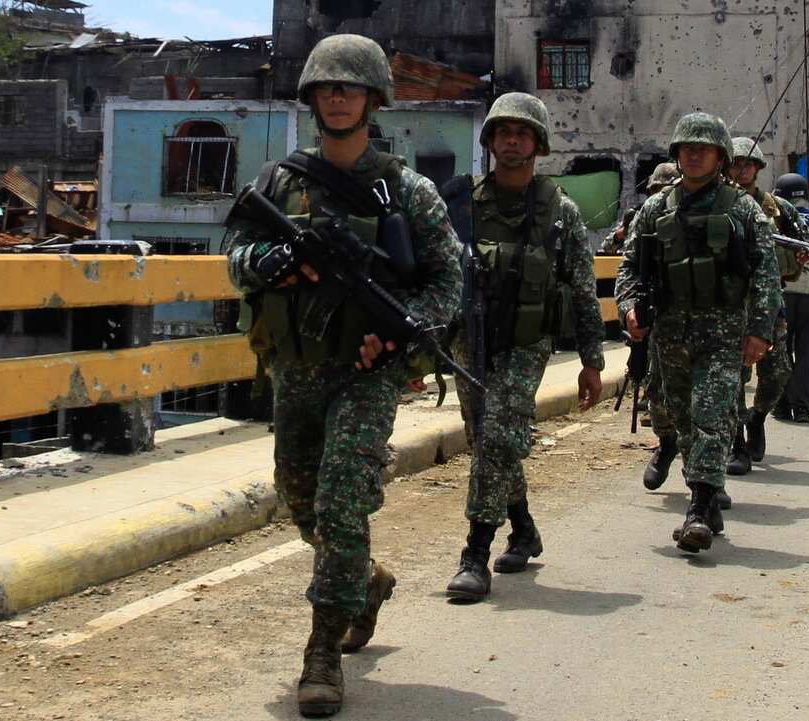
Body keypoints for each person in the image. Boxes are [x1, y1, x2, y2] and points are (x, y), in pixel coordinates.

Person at [222, 34, 463, 717]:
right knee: (299, 498)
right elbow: (234, 255)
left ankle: (322, 650)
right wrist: (269, 263)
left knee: (341, 500)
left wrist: (398, 335)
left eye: (350, 88)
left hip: (368, 372)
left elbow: (448, 282)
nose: (337, 97)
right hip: (296, 367)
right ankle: (366, 580)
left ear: (373, 100)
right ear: (311, 98)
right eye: (327, 87)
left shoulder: (407, 191)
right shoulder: (279, 183)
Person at [444, 92, 606, 601]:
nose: (512, 141)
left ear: (538, 144)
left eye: (522, 133)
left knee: (497, 437)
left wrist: (592, 362)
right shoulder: (461, 204)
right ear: (490, 141)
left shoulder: (560, 212)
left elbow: (583, 290)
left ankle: (475, 554)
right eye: (503, 132)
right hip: (470, 343)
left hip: (526, 343)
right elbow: (435, 279)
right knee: (487, 441)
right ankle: (523, 528)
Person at [616, 112, 781, 553]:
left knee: (711, 415)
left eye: (704, 149)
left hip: (722, 332)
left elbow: (766, 274)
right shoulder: (657, 208)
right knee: (682, 419)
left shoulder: (742, 209)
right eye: (687, 148)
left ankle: (699, 508)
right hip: (670, 333)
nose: (694, 155)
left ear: (720, 156)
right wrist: (629, 308)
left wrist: (760, 330)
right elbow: (629, 266)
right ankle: (706, 498)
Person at [725, 137, 798, 473]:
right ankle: (737, 442)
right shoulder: (720, 203)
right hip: (729, 302)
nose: (741, 170)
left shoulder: (776, 208)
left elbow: (802, 240)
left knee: (778, 373)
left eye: (748, 164)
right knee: (733, 377)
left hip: (768, 303)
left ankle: (756, 417)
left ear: (757, 168)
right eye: (735, 164)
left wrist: (803, 253)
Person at [773, 173, 809, 425]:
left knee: (780, 352)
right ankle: (803, 408)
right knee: (807, 354)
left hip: (782, 292)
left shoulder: (774, 216)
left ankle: (781, 405)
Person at [601, 163, 679, 255]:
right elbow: (606, 247)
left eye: (667, 190)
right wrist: (623, 232)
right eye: (657, 189)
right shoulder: (641, 213)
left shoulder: (683, 211)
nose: (661, 195)